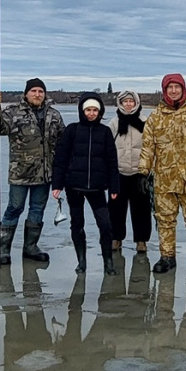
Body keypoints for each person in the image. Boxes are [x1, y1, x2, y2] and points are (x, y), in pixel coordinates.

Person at [137, 72, 186, 276]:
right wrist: (143, 172)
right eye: (170, 88)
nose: (174, 91)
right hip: (164, 180)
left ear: (183, 89)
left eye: (177, 87)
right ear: (164, 91)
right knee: (165, 220)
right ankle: (167, 257)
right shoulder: (155, 117)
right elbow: (148, 146)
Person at [0, 77, 65, 265]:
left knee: (37, 209)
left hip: (44, 173)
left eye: (40, 91)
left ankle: (30, 247)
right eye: (34, 91)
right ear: (26, 94)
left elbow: (63, 141)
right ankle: (4, 249)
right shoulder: (13, 112)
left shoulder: (54, 115)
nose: (37, 94)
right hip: (20, 173)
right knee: (14, 208)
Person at [50, 93, 122, 275]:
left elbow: (112, 161)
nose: (91, 113)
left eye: (95, 110)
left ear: (100, 112)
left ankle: (108, 262)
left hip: (97, 187)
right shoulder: (72, 130)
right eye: (88, 110)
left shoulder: (105, 132)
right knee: (77, 224)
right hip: (74, 186)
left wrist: (114, 186)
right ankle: (81, 261)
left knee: (105, 224)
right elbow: (61, 159)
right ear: (82, 111)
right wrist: (57, 184)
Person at [110, 90, 152, 253]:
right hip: (119, 173)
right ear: (120, 103)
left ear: (136, 103)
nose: (128, 104)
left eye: (131, 101)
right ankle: (116, 238)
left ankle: (141, 240)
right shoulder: (114, 123)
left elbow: (151, 147)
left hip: (139, 173)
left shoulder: (145, 122)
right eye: (125, 101)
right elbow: (107, 147)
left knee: (141, 209)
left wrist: (148, 170)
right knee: (116, 209)